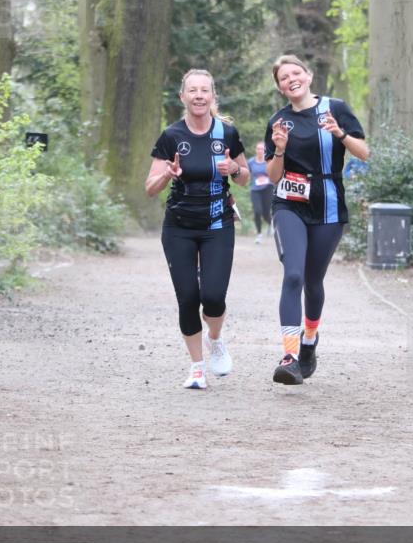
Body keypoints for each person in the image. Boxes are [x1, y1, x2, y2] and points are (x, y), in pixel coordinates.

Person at [264, 54, 369, 385]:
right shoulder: (279, 122)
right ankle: (290, 356)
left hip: (328, 202)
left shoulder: (335, 108)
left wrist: (340, 134)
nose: (291, 79)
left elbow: (364, 153)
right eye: (283, 77)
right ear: (280, 88)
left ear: (308, 76)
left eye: (296, 72)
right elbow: (272, 176)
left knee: (313, 280)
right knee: (293, 275)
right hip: (290, 203)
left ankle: (310, 341)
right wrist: (279, 149)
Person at [145, 69, 249, 390]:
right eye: (193, 90)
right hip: (179, 227)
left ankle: (215, 340)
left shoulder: (227, 134)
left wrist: (234, 168)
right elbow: (150, 187)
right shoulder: (171, 136)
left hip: (218, 224)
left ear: (213, 97)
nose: (199, 95)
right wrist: (168, 175)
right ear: (183, 97)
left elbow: (245, 176)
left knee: (214, 297)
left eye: (205, 90)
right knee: (188, 297)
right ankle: (197, 367)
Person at [247, 141, 272, 243]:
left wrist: (266, 178)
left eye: (262, 149)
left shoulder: (269, 160)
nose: (260, 151)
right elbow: (247, 174)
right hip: (255, 189)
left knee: (266, 213)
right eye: (258, 149)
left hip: (268, 188)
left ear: (265, 150)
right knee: (257, 211)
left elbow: (274, 173)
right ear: (256, 150)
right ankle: (259, 234)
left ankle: (272, 223)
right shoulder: (251, 162)